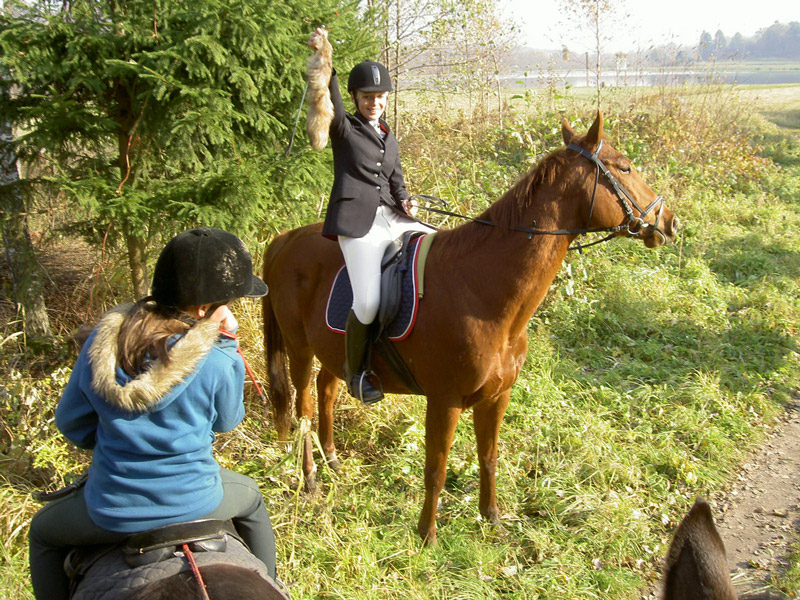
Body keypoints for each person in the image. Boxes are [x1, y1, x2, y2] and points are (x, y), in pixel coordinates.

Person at [28, 227, 275, 600]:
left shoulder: (103, 344)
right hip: (198, 500)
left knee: (43, 533)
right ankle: (274, 581)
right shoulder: (217, 356)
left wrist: (117, 435)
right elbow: (228, 420)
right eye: (229, 302)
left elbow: (71, 424)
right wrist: (228, 347)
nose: (231, 309)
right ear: (204, 309)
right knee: (252, 498)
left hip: (111, 508)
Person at [307, 27, 434, 405]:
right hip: (357, 224)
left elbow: (396, 180)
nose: (374, 102)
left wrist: (406, 201)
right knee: (366, 303)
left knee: (440, 247)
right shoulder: (345, 128)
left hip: (393, 217)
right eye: (367, 97)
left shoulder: (388, 135)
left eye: (379, 97)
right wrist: (324, 57)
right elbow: (328, 93)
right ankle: (356, 372)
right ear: (355, 98)